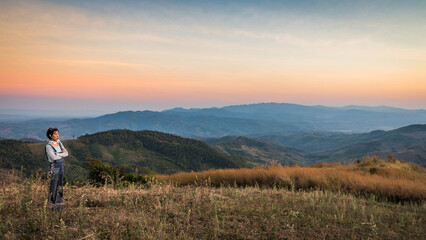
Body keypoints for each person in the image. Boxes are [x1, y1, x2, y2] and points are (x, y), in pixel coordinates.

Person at [45, 127, 68, 211]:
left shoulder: (59, 143)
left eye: (58, 133)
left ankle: (58, 206)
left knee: (60, 186)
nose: (57, 135)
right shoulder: (48, 146)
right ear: (50, 135)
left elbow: (66, 153)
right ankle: (51, 207)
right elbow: (53, 157)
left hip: (61, 166)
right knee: (53, 187)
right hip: (53, 167)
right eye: (55, 134)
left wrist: (58, 153)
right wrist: (61, 153)